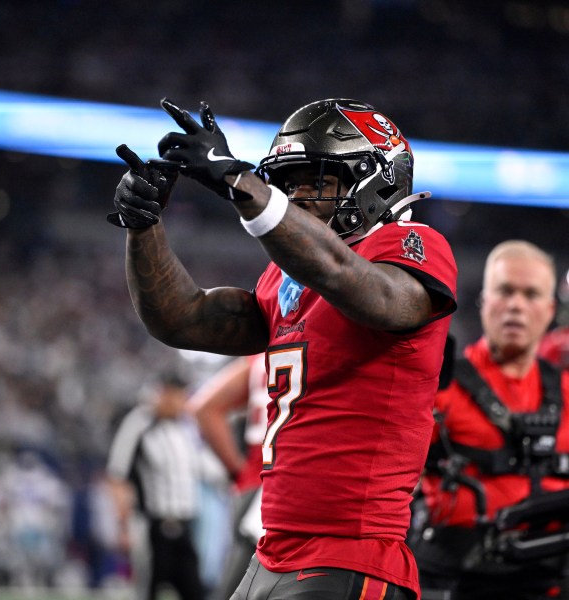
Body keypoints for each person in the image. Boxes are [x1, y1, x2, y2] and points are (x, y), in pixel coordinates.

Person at [108, 97, 458, 599]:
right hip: (272, 549)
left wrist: (238, 181)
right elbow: (182, 318)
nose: (297, 196)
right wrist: (143, 226)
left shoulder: (410, 246)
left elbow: (370, 295)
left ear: (375, 181)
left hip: (350, 551)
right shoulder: (283, 278)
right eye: (288, 183)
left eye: (317, 180)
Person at [412, 240, 569, 600]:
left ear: (549, 309)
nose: (516, 304)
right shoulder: (439, 386)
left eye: (531, 294)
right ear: (484, 301)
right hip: (455, 578)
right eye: (505, 291)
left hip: (549, 580)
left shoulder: (567, 389)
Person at [106, 372, 206, 600]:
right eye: (173, 394)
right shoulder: (139, 423)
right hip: (153, 526)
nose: (178, 402)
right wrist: (123, 525)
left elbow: (201, 469)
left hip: (186, 524)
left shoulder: (185, 428)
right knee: (147, 590)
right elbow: (117, 474)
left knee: (195, 590)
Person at [188, 353, 268, 600]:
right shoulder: (317, 345)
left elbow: (204, 408)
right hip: (280, 488)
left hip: (254, 486)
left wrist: (240, 471)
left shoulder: (259, 360)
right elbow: (203, 409)